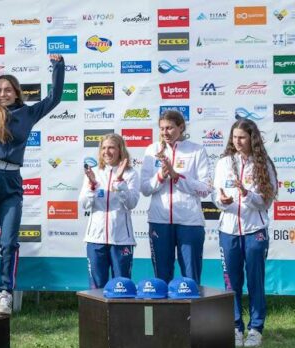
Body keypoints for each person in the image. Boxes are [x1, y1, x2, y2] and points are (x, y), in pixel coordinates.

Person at [0, 35, 64, 315]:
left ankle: (6, 293)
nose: (3, 93)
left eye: (8, 89)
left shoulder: (28, 114)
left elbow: (55, 97)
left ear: (17, 93)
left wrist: (58, 67)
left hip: (11, 182)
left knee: (8, 242)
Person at [213, 119, 277, 347]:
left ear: (252, 139)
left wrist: (246, 194)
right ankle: (235, 326)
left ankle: (256, 329)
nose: (237, 141)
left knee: (255, 281)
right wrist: (222, 201)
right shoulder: (223, 163)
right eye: (234, 137)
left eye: (242, 137)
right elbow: (215, 195)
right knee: (231, 282)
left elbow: (266, 200)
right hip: (228, 230)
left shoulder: (263, 164)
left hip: (254, 230)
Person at [140, 110, 212, 284]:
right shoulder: (152, 150)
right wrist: (161, 176)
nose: (165, 132)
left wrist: (176, 176)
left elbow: (205, 188)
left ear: (181, 127)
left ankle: (192, 311)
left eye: (170, 128)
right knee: (162, 277)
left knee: (190, 277)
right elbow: (145, 188)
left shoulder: (196, 150)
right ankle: (164, 312)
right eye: (162, 128)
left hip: (189, 222)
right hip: (159, 220)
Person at [80, 134, 140, 289]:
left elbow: (131, 203)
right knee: (97, 287)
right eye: (104, 148)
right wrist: (92, 186)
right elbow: (84, 204)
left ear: (120, 150)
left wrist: (120, 182)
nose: (107, 151)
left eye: (111, 147)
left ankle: (122, 314)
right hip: (95, 239)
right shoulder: (93, 173)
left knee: (121, 287)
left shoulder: (131, 173)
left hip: (121, 240)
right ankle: (97, 315)